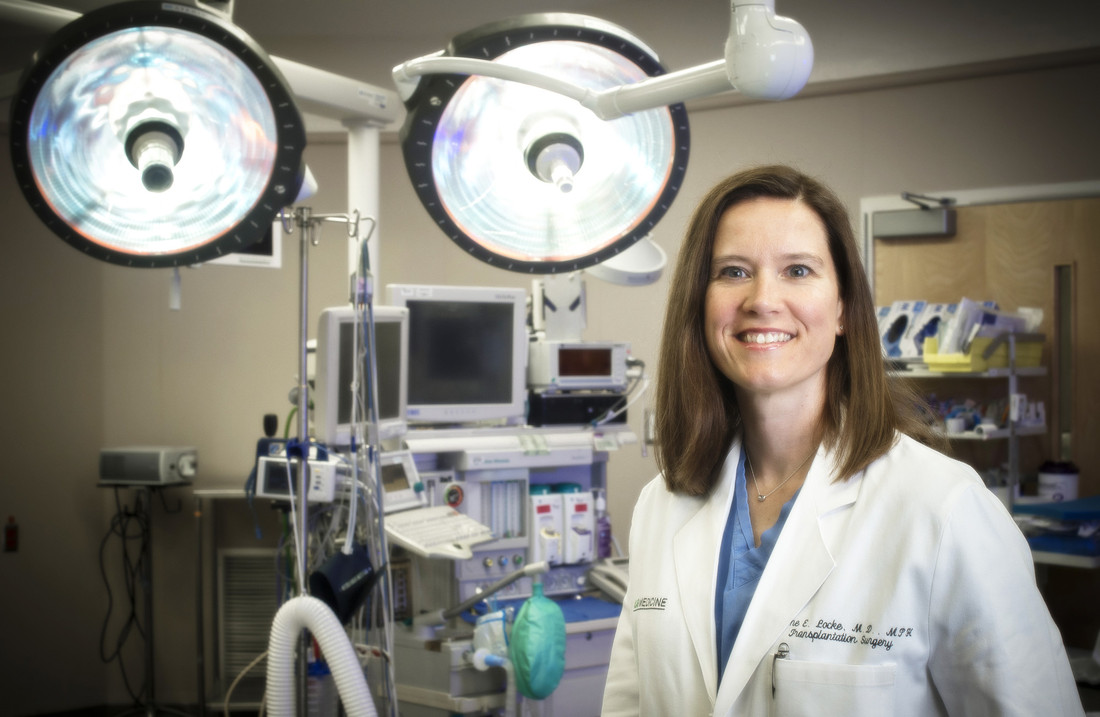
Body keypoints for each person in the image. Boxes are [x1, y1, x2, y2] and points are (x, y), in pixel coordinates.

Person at [601, 165, 1083, 716]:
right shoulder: (661, 505)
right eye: (733, 272)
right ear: (699, 303)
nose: (763, 299)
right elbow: (629, 705)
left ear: (844, 310)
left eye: (798, 270)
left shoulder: (943, 508)